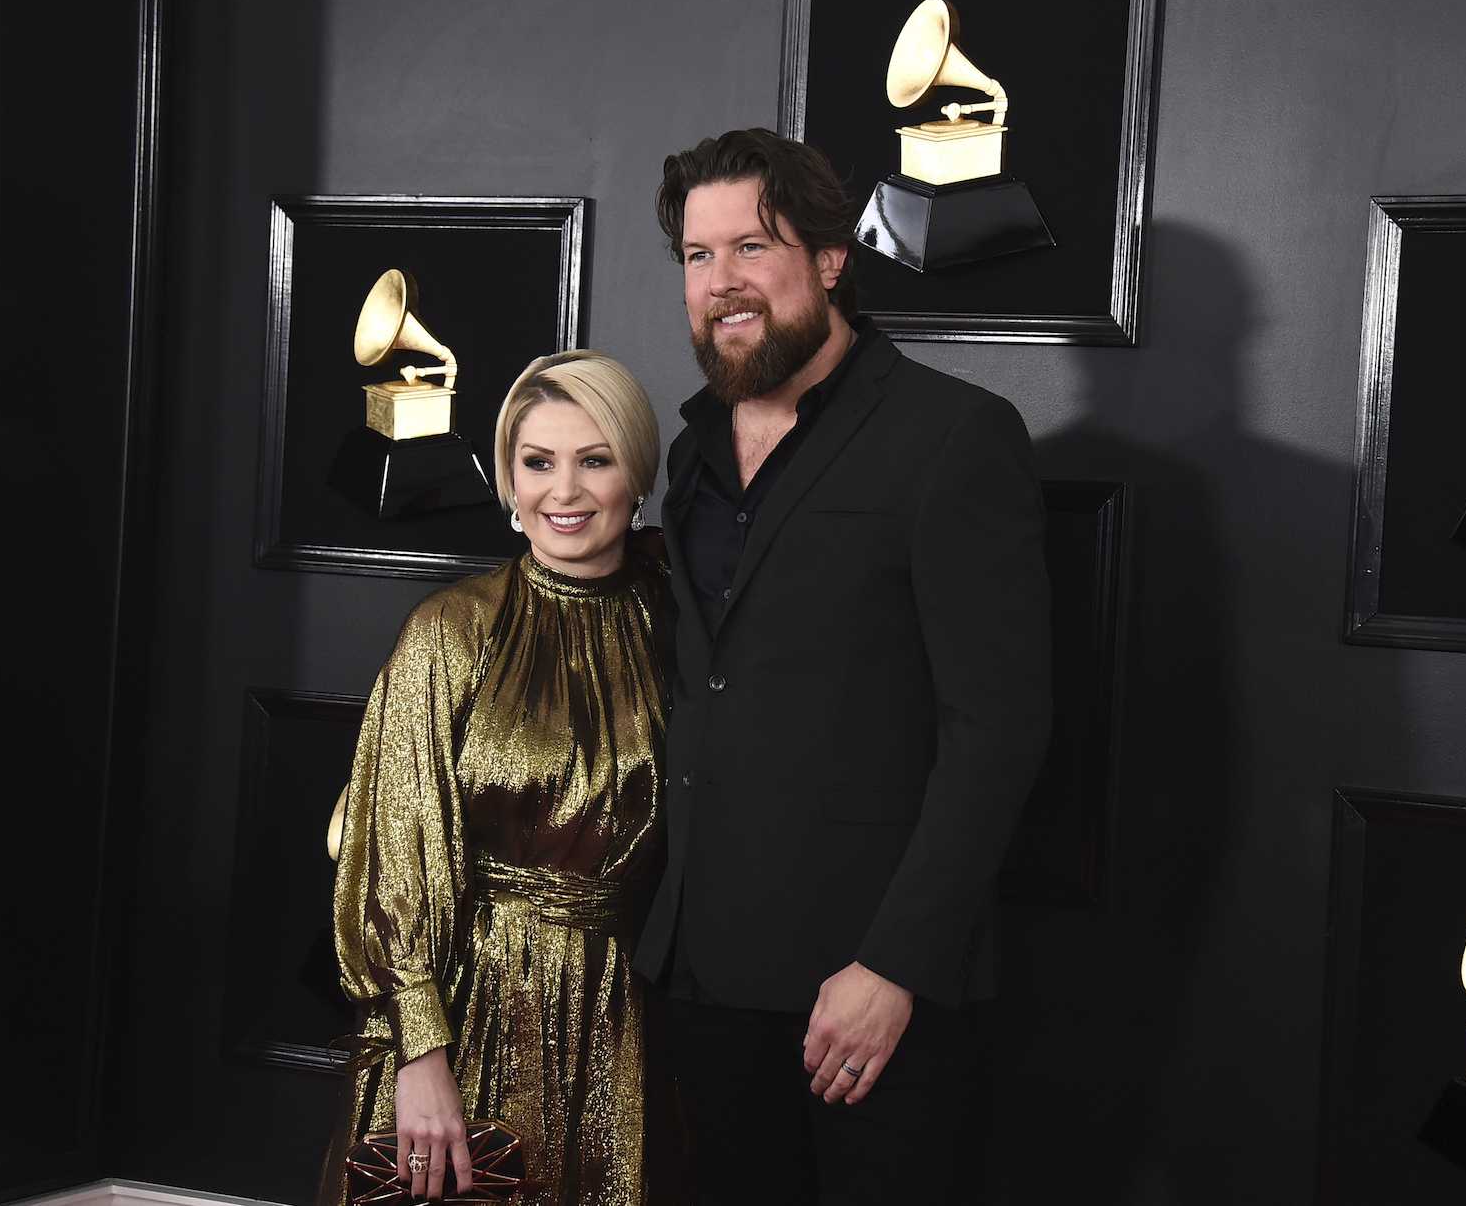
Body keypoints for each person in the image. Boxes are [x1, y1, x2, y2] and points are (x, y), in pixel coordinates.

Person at [634, 127, 1053, 1203]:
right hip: (704, 969)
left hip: (870, 981)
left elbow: (995, 728)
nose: (721, 283)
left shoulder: (956, 435)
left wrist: (896, 964)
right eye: (697, 255)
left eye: (751, 247)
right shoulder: (687, 455)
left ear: (829, 258)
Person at [318, 351, 688, 1206]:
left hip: (630, 1017)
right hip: (468, 1006)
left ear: (638, 476)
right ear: (510, 487)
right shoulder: (450, 632)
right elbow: (396, 857)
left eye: (595, 460)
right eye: (538, 463)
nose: (565, 491)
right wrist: (419, 1053)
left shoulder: (682, 627)